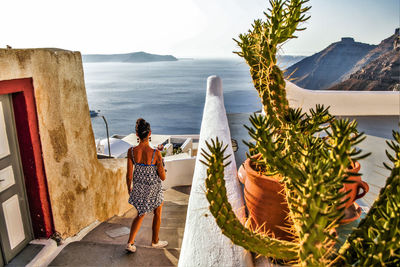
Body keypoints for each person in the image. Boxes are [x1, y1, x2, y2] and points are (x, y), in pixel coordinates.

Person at [125, 118, 167, 253]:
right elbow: (163, 177)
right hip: (154, 188)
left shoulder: (131, 151)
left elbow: (129, 175)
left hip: (139, 188)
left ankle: (130, 243)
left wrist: (129, 189)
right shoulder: (156, 154)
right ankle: (155, 241)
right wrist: (162, 166)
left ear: (137, 135)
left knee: (141, 213)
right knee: (157, 211)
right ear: (149, 133)